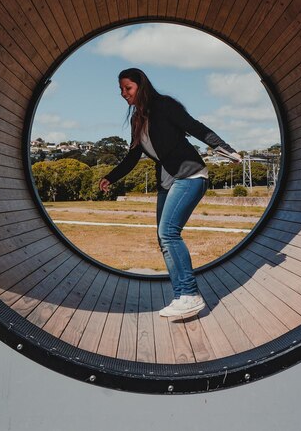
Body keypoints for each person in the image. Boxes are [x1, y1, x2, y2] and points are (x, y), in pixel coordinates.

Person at [99, 68, 241, 319]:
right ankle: (181, 297)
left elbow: (194, 127)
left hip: (190, 175)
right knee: (163, 238)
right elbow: (133, 156)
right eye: (120, 90)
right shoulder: (137, 119)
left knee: (168, 233)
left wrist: (224, 147)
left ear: (141, 86)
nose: (123, 94)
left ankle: (189, 295)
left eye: (127, 88)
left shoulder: (164, 105)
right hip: (168, 182)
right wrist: (111, 177)